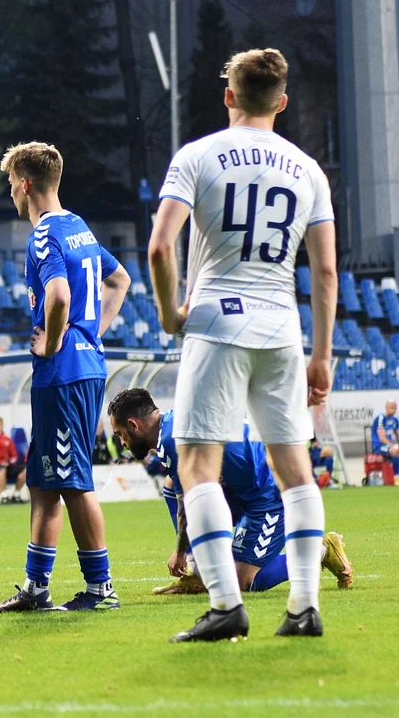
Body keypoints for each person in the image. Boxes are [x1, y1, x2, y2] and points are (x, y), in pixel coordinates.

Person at [148, 48, 337, 641]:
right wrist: (323, 353)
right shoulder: (308, 169)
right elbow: (326, 272)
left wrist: (169, 314)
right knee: (295, 473)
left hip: (218, 323)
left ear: (228, 95)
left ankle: (227, 606)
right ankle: (303, 608)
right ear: (282, 102)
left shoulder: (198, 155)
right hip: (282, 327)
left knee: (198, 466)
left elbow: (160, 247)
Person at [0, 142, 130, 615]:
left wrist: (52, 342)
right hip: (80, 367)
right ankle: (36, 587)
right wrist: (92, 334)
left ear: (25, 185)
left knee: (72, 481)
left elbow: (59, 295)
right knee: (43, 481)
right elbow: (120, 280)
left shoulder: (45, 234)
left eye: (11, 185)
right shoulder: (80, 229)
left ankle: (101, 587)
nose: (10, 194)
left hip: (64, 373)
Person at [106, 388, 354, 596]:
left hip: (267, 494)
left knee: (241, 582)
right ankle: (197, 573)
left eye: (119, 434)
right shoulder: (173, 424)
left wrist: (180, 551)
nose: (122, 443)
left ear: (133, 425)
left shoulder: (174, 439)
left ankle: (321, 549)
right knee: (173, 487)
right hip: (239, 488)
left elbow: (189, 506)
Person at [0, 416, 25, 503]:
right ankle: (4, 496)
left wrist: (10, 461)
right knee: (1, 470)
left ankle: (16, 494)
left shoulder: (7, 439)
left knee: (25, 470)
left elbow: (13, 455)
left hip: (6, 464)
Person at [371, 401, 399, 476]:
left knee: (396, 449)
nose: (394, 410)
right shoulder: (381, 418)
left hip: (389, 445)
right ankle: (396, 476)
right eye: (392, 408)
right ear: (386, 407)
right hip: (379, 447)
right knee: (395, 450)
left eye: (395, 408)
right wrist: (393, 445)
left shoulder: (395, 420)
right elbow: (382, 438)